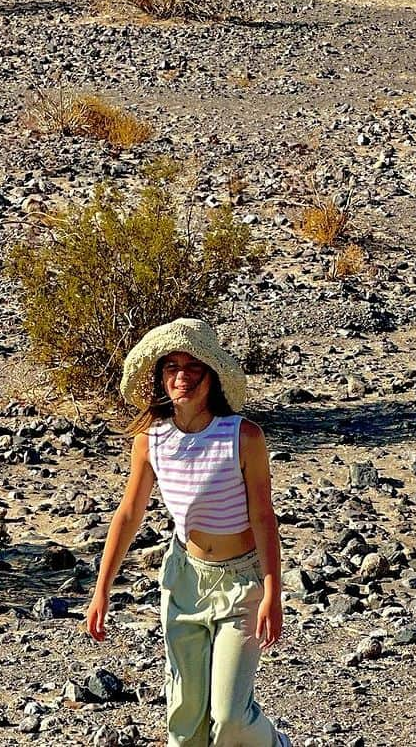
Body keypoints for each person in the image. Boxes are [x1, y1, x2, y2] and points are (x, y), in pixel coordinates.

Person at [85, 318, 291, 747]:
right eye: (171, 367)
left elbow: (264, 517)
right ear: (160, 377)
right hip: (184, 580)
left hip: (242, 583)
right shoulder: (151, 438)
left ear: (211, 376)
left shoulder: (243, 436)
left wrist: (274, 590)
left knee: (230, 718)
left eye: (193, 367)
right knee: (186, 719)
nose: (182, 377)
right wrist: (101, 589)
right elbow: (128, 514)